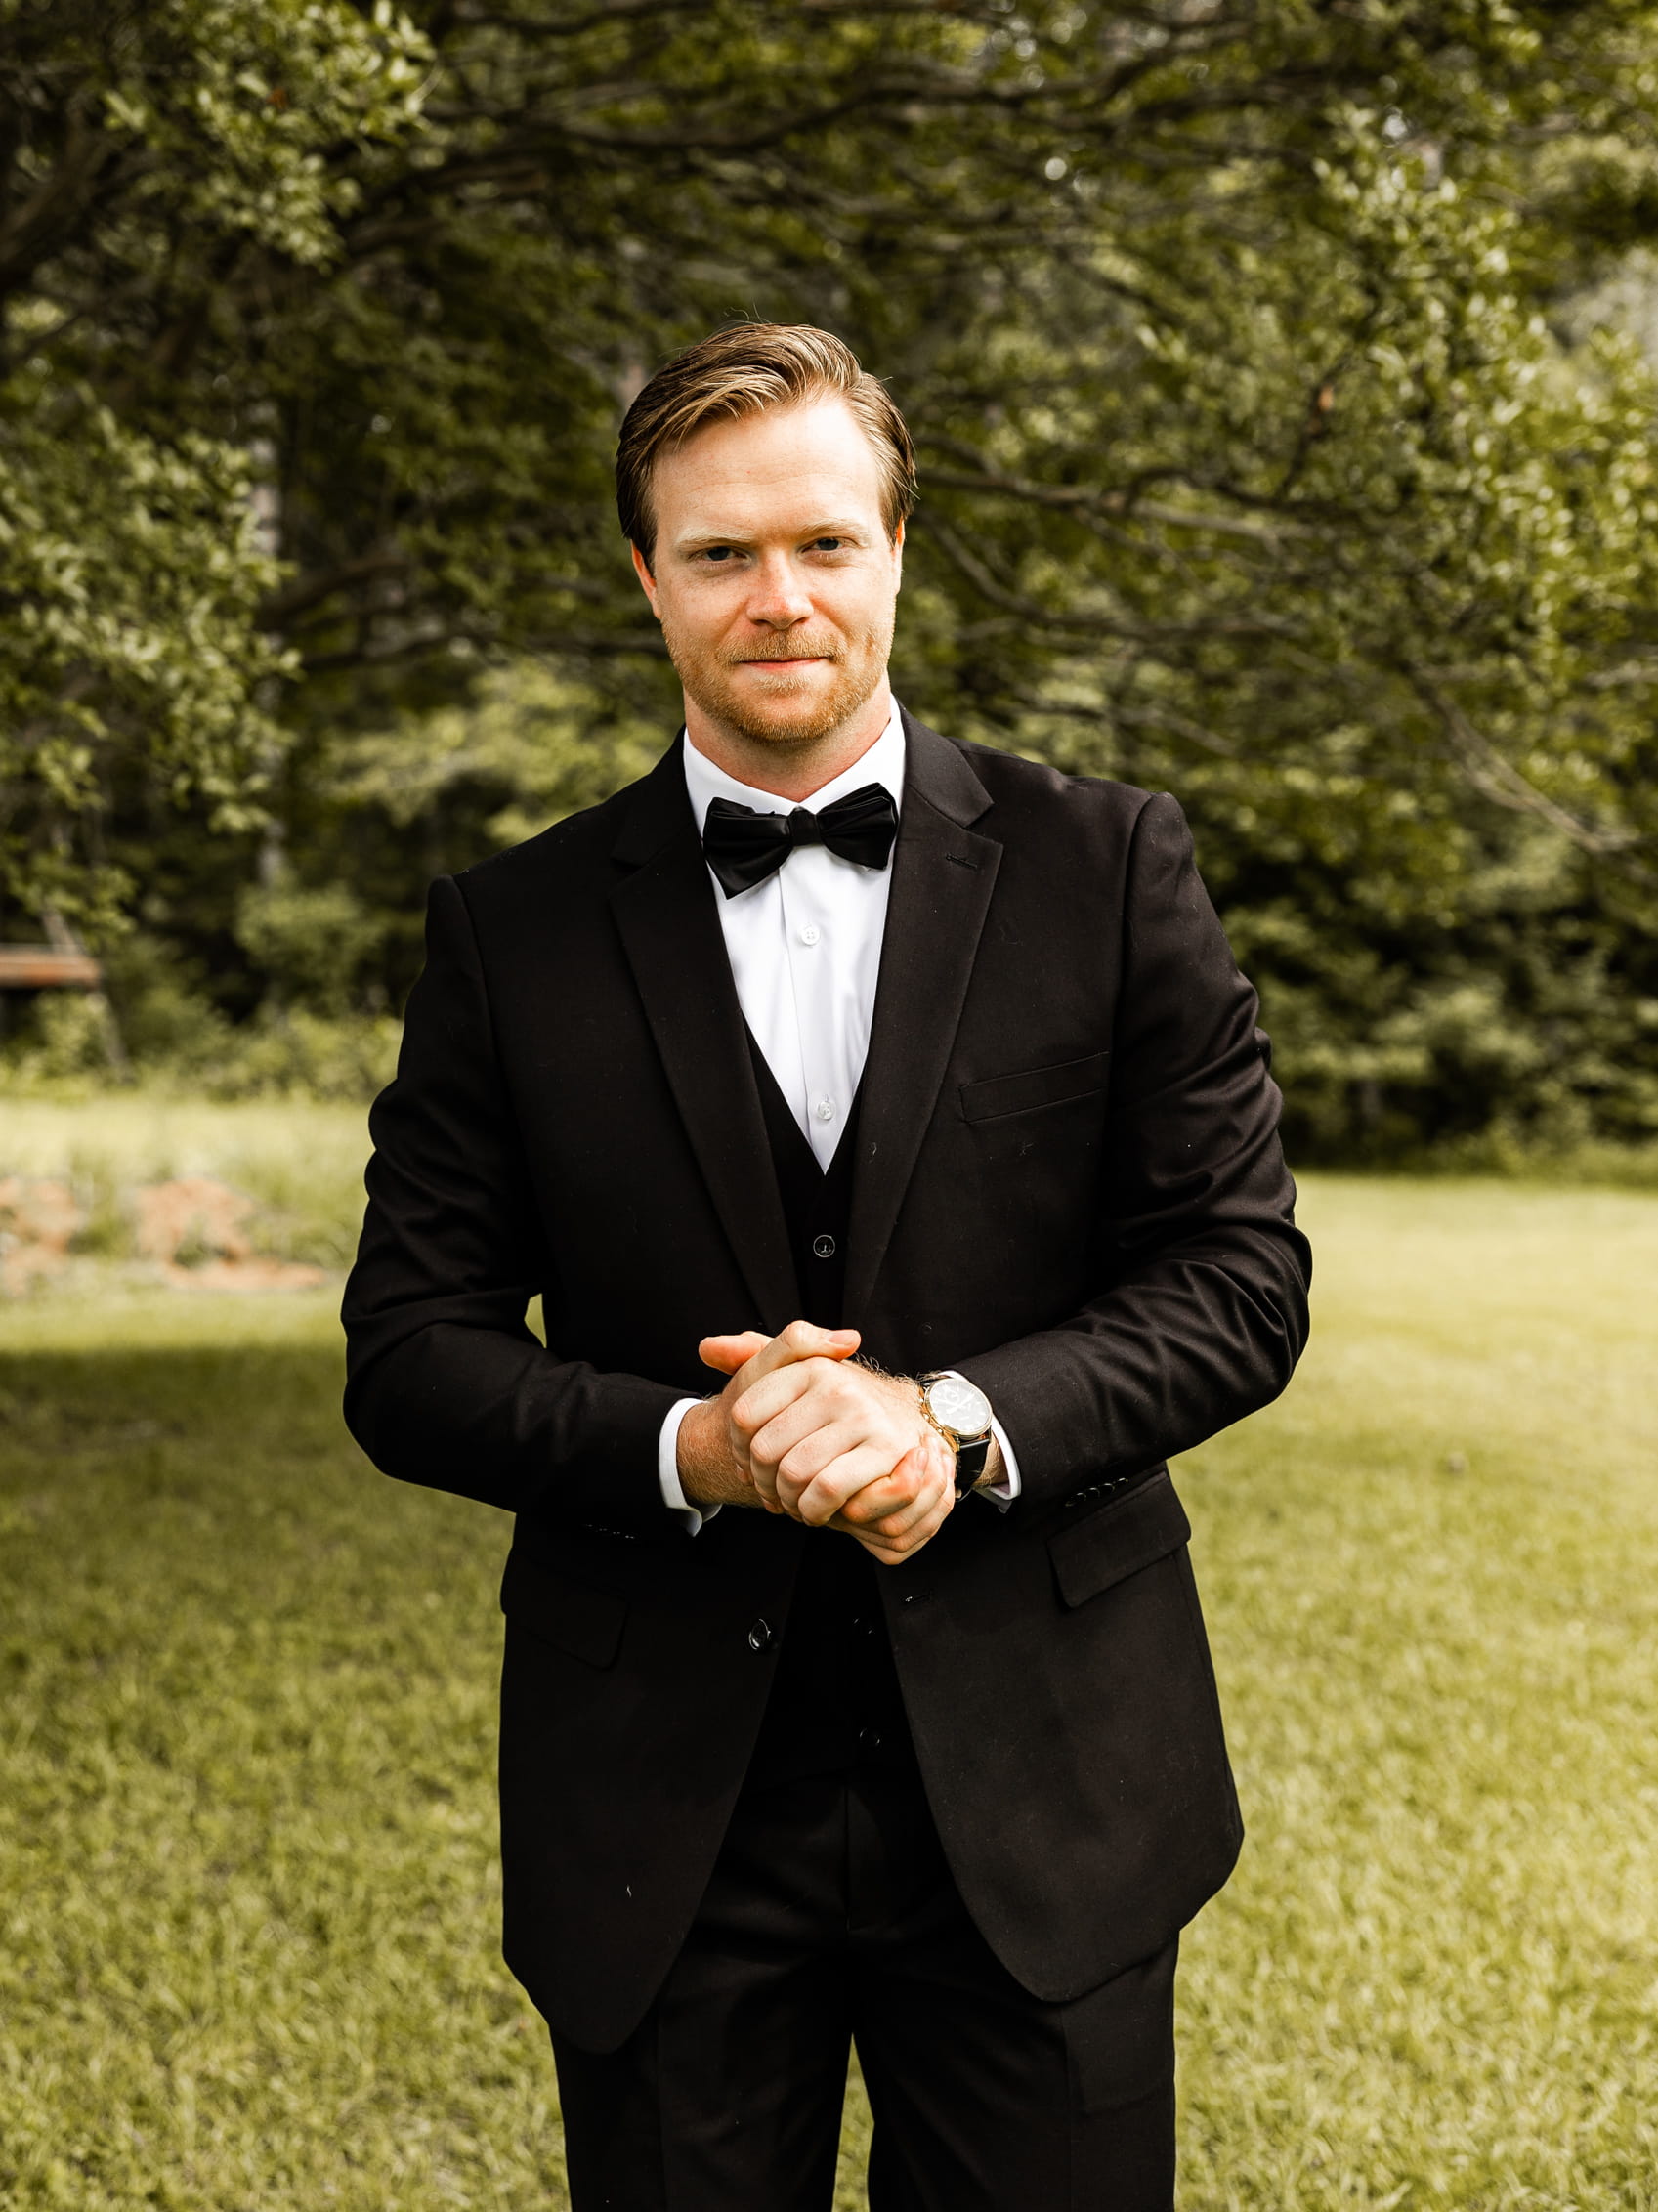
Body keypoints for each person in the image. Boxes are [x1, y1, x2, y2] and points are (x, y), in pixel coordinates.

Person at [342, 322, 1311, 2211]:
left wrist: (946, 1423)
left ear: (894, 551)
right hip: (663, 1808)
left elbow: (1236, 1278)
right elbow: (409, 1351)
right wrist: (695, 1452)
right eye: (719, 552)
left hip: (1049, 1782)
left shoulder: (1109, 866)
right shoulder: (509, 931)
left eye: (821, 544)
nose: (776, 598)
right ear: (646, 577)